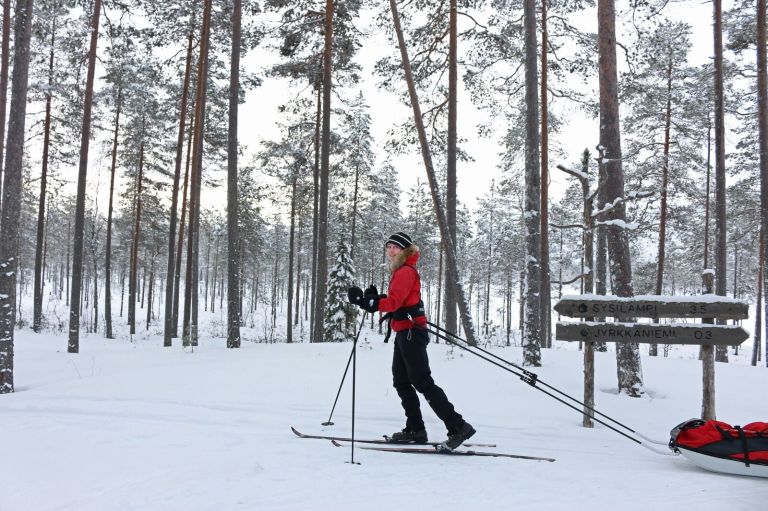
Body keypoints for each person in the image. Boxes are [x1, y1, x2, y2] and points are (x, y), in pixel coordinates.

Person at [347, 231, 475, 450]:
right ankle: (415, 429)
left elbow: (395, 303)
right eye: (388, 247)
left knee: (422, 381)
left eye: (395, 247)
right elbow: (400, 301)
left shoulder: (405, 271)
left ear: (405, 250)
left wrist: (368, 303)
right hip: (404, 332)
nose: (391, 251)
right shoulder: (401, 270)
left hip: (411, 333)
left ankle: (459, 427)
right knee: (401, 381)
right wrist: (375, 299)